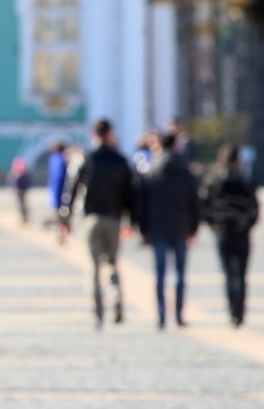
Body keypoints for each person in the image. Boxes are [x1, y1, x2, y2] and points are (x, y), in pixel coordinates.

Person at [59, 119, 136, 329]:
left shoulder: (86, 158)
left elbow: (71, 190)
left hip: (91, 218)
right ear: (110, 134)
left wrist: (64, 218)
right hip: (114, 218)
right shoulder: (120, 160)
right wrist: (131, 221)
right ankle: (117, 301)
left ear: (94, 135)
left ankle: (97, 314)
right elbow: (130, 194)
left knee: (92, 267)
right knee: (111, 263)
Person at [137, 133, 200, 330]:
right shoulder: (185, 171)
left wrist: (143, 229)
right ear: (174, 146)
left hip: (157, 228)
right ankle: (179, 314)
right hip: (181, 227)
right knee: (180, 274)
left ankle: (162, 315)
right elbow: (195, 203)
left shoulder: (151, 171)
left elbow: (142, 204)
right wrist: (193, 228)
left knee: (160, 274)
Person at [200, 144, 260, 327]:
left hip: (223, 232)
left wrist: (213, 224)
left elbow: (205, 206)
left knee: (228, 273)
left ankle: (232, 312)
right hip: (241, 232)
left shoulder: (214, 179)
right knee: (241, 274)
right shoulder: (245, 179)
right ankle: (239, 312)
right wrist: (247, 224)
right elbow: (255, 208)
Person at [44, 141, 67, 228]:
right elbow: (59, 176)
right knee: (61, 214)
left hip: (53, 189)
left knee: (57, 212)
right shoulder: (60, 159)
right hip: (61, 190)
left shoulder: (53, 159)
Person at [6, 156, 32, 224]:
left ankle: (24, 217)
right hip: (19, 190)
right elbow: (12, 183)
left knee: (22, 204)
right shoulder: (14, 174)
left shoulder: (23, 175)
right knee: (21, 204)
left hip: (22, 190)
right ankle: (23, 217)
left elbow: (27, 183)